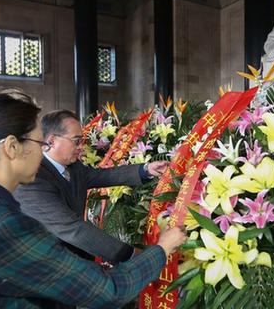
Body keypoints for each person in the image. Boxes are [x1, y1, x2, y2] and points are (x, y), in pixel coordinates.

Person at [0, 90, 186, 308]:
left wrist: (143, 170)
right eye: (39, 142)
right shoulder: (5, 225)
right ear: (12, 147)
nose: (42, 150)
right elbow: (108, 291)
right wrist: (161, 249)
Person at [14, 109, 169, 264]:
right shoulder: (33, 178)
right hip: (45, 264)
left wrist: (146, 170)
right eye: (76, 141)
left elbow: (104, 176)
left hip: (75, 258)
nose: (81, 147)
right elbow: (73, 229)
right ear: (51, 141)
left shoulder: (73, 167)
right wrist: (132, 256)